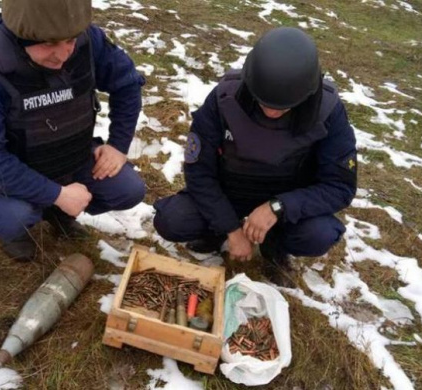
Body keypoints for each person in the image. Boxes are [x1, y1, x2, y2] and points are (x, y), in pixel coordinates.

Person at [153, 27, 357, 286]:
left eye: (282, 106)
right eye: (264, 102)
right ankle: (215, 233)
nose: (271, 112)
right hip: (229, 194)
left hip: (285, 205)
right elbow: (199, 171)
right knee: (172, 220)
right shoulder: (224, 98)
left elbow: (339, 187)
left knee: (319, 234)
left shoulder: (328, 112)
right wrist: (230, 228)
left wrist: (279, 207)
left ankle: (275, 245)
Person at [0, 0, 146, 262]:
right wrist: (58, 194)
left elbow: (128, 84)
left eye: (70, 40)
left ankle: (58, 213)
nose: (63, 54)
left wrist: (119, 146)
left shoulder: (87, 39)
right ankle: (22, 228)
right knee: (10, 218)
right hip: (13, 170)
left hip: (71, 156)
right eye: (49, 44)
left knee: (128, 189)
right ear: (22, 37)